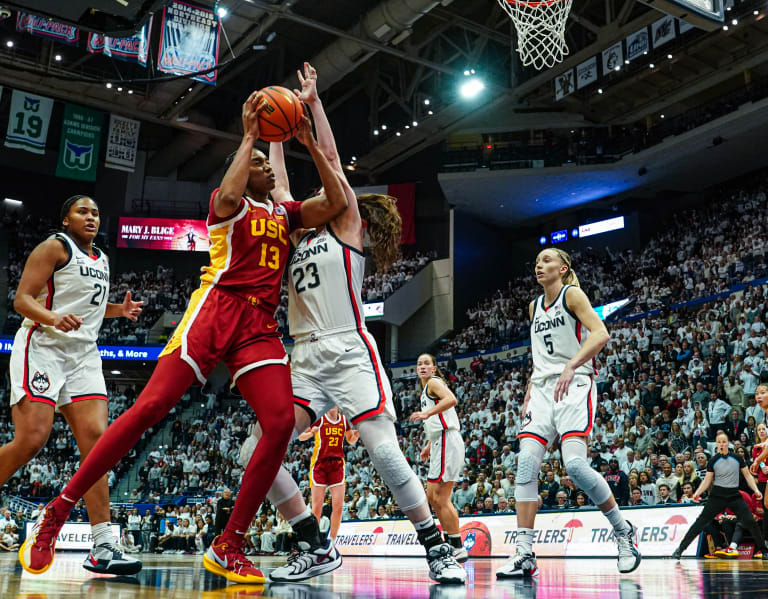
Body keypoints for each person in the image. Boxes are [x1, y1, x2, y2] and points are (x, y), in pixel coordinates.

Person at [19, 92, 349, 584]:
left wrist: (309, 143)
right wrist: (250, 137)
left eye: (268, 163)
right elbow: (231, 195)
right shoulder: (226, 207)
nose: (269, 168)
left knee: (280, 423)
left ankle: (228, 543)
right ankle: (60, 510)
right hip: (215, 311)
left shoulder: (286, 214)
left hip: (258, 326)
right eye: (260, 163)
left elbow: (338, 200)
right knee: (149, 409)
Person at [239, 62, 465, 585]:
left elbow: (333, 168)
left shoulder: (347, 227)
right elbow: (280, 190)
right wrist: (275, 140)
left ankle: (436, 548)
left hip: (348, 350)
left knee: (384, 451)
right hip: (304, 358)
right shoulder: (293, 231)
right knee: (257, 449)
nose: (317, 200)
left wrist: (312, 110)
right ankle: (313, 544)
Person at [6, 195, 143, 576]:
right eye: (83, 211)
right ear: (65, 218)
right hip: (43, 345)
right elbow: (21, 300)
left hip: (83, 355)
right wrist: (53, 317)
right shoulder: (55, 246)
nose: (91, 217)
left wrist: (119, 310)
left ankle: (103, 545)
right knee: (32, 439)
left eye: (96, 213)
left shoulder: (102, 258)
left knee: (97, 443)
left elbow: (89, 307)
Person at [497, 248, 640, 579]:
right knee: (526, 464)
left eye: (547, 261)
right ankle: (524, 553)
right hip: (544, 389)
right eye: (536, 262)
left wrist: (572, 365)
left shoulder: (571, 294)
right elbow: (539, 354)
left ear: (563, 268)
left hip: (575, 383)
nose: (539, 265)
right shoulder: (534, 306)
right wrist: (532, 388)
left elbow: (601, 333)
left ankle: (623, 531)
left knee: (574, 465)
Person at [671, 431, 768, 559]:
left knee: (750, 522)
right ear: (717, 444)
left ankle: (764, 551)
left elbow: (748, 476)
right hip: (717, 495)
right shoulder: (713, 460)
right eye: (719, 442)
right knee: (700, 522)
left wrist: (756, 490)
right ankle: (679, 550)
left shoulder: (737, 458)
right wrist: (697, 493)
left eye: (724, 442)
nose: (722, 444)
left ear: (728, 443)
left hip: (734, 494)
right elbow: (707, 480)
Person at [410, 353, 468, 562]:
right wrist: (428, 444)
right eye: (419, 363)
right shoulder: (425, 391)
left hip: (447, 440)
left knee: (440, 498)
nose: (422, 366)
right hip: (439, 441)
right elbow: (439, 419)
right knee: (432, 497)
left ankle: (456, 546)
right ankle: (450, 541)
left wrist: (425, 414)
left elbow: (451, 400)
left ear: (434, 368)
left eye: (427, 363)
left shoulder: (434, 383)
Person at [297, 406, 359, 540]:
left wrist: (359, 432)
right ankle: (315, 541)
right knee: (317, 508)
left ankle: (332, 541)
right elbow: (301, 437)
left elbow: (351, 440)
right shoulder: (320, 420)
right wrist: (311, 433)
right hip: (320, 465)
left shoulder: (343, 420)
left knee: (338, 506)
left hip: (336, 465)